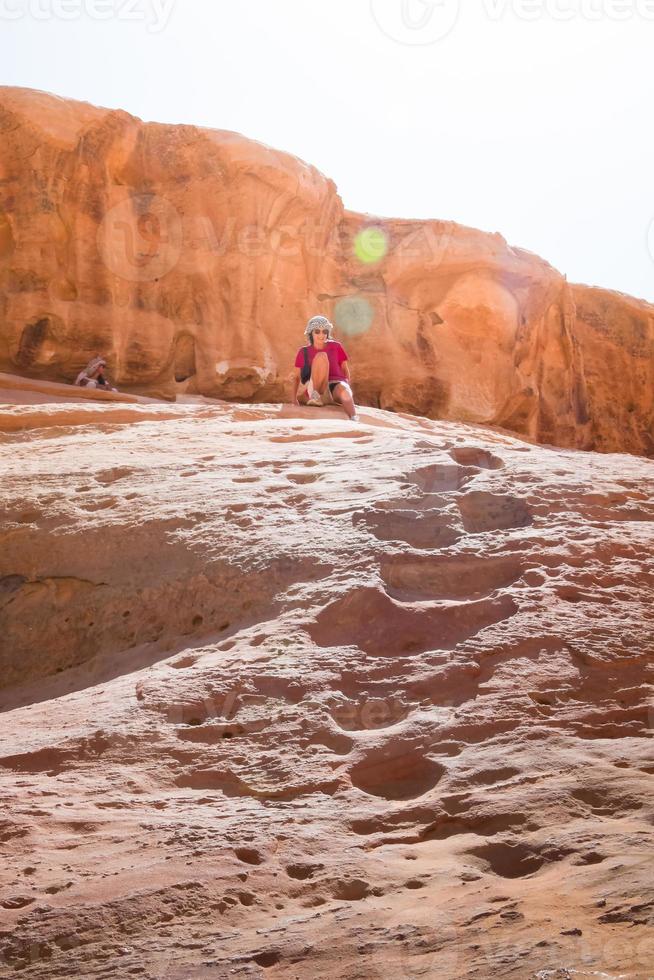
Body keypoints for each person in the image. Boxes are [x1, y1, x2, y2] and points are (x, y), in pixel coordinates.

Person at [292, 316, 359, 422]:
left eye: (324, 331)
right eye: (317, 331)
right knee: (321, 356)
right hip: (315, 387)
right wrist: (293, 399)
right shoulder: (303, 351)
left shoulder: (336, 346)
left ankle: (354, 418)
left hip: (335, 384)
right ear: (311, 333)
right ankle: (315, 396)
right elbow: (296, 377)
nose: (321, 335)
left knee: (344, 390)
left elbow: (345, 370)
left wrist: (347, 387)